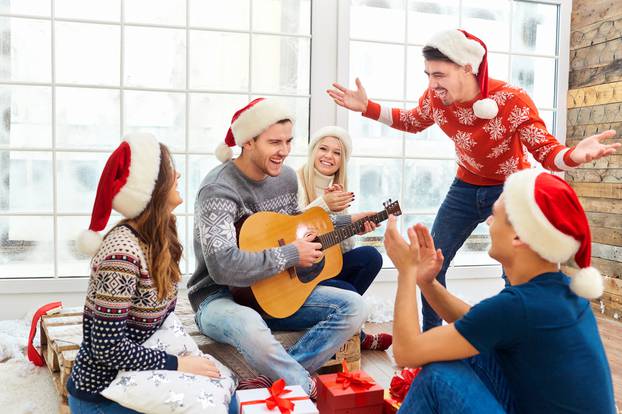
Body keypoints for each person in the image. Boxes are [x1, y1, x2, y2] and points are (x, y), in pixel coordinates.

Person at [327, 28, 620, 331]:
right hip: (464, 187)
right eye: (427, 74)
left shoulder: (511, 100)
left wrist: (574, 155)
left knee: (515, 271)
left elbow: (546, 151)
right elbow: (413, 121)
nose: (432, 84)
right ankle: (431, 337)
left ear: (467, 68)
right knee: (432, 261)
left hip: (509, 191)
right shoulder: (436, 99)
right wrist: (368, 108)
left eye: (439, 75)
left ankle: (514, 342)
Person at [383, 168, 615, 413]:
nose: (488, 221)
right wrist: (426, 282)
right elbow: (481, 323)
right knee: (470, 350)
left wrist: (406, 272)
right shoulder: (558, 290)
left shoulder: (520, 306)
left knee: (437, 377)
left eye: (494, 215)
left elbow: (406, 352)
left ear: (518, 237)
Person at [187, 98, 375, 396]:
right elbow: (222, 266)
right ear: (248, 142)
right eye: (275, 142)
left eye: (288, 141)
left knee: (355, 306)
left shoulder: (285, 178)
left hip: (271, 290)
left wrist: (346, 222)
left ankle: (275, 380)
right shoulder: (218, 189)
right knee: (248, 323)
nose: (285, 151)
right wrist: (292, 254)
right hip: (217, 296)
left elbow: (291, 231)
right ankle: (305, 387)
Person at [67, 134, 220, 413]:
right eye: (169, 170)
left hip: (138, 377)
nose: (178, 174)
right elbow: (105, 348)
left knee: (227, 399)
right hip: (103, 393)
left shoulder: (160, 238)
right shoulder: (121, 255)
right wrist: (178, 365)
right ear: (152, 188)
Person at [297, 125, 391, 351]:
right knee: (345, 291)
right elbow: (293, 227)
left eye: (337, 153)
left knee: (370, 256)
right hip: (298, 273)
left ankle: (345, 327)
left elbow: (342, 251)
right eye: (323, 149)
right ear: (313, 152)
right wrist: (324, 206)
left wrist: (352, 227)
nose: (329, 156)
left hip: (322, 268)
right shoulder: (295, 182)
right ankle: (354, 333)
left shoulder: (338, 190)